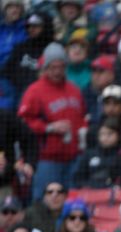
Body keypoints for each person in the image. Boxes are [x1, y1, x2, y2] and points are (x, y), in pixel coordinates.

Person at [18, 42, 85, 200]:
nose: (57, 71)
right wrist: (48, 127)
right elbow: (23, 122)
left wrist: (83, 131)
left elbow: (82, 117)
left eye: (61, 67)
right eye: (52, 67)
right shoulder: (34, 91)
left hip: (73, 157)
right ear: (45, 68)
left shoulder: (74, 89)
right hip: (46, 159)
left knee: (70, 202)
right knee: (44, 201)